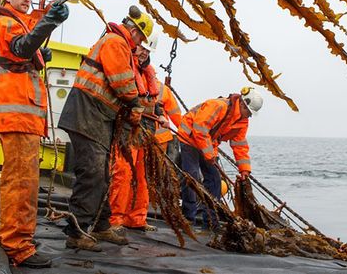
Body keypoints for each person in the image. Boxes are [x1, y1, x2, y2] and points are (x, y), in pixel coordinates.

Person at [0, 0, 69, 269]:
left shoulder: (13, 23)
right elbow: (21, 47)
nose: (27, 0)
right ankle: (17, 246)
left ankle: (9, 235)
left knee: (19, 181)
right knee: (23, 183)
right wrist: (50, 20)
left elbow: (22, 51)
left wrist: (40, 53)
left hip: (22, 118)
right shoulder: (6, 22)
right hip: (18, 116)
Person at [58, 5, 155, 251]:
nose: (139, 44)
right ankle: (77, 232)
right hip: (86, 114)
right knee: (92, 174)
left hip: (96, 117)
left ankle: (100, 225)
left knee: (102, 173)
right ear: (134, 31)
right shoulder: (115, 42)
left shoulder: (119, 44)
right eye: (140, 39)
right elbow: (121, 81)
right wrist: (135, 105)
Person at [108, 31, 174, 232]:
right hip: (127, 129)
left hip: (146, 132)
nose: (144, 53)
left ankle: (137, 218)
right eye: (142, 48)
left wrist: (161, 115)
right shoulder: (125, 66)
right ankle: (115, 219)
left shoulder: (149, 72)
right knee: (122, 173)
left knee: (143, 176)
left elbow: (154, 101)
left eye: (148, 50)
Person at [178, 87, 263, 228]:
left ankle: (211, 221)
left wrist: (244, 169)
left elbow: (239, 145)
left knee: (214, 180)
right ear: (242, 103)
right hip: (189, 139)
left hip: (207, 144)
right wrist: (210, 154)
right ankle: (188, 219)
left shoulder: (242, 121)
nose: (249, 116)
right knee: (191, 177)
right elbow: (199, 129)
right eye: (248, 112)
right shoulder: (218, 106)